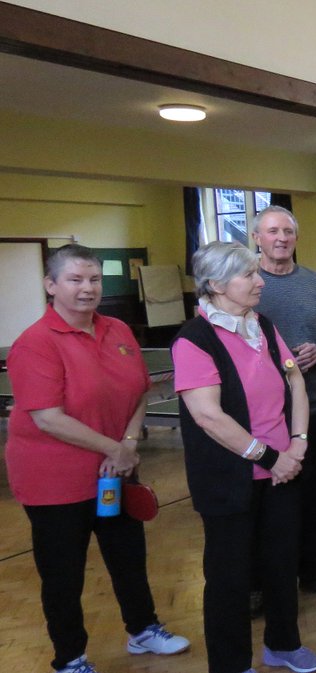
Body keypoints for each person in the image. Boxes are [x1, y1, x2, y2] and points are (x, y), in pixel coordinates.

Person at [6, 244, 190, 673]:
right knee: (63, 574)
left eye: (93, 279)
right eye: (75, 279)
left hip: (116, 471)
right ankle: (70, 658)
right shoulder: (34, 343)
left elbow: (139, 391)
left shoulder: (118, 330)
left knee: (128, 556)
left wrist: (127, 443)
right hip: (54, 480)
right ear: (51, 285)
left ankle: (142, 629)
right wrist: (115, 448)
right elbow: (48, 418)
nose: (87, 288)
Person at [174, 241, 316, 673]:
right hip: (230, 480)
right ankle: (231, 664)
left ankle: (283, 645)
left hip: (282, 471)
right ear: (217, 284)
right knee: (229, 577)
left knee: (282, 564)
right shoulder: (194, 340)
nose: (261, 282)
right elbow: (208, 416)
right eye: (249, 275)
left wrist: (298, 442)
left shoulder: (262, 325)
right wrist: (271, 458)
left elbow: (295, 380)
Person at [252, 205, 316, 602]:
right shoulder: (242, 283)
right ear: (256, 238)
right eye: (272, 231)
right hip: (263, 416)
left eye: (288, 231)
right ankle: (263, 583)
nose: (281, 238)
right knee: (267, 503)